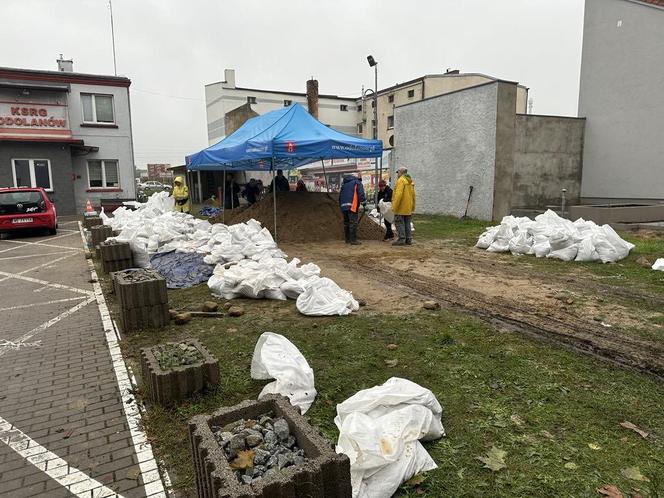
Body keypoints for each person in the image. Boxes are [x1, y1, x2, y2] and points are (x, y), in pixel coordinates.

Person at [339, 173, 366, 245]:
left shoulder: (344, 185)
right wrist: (364, 203)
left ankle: (347, 239)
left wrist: (341, 205)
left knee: (346, 223)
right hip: (352, 205)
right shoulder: (357, 182)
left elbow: (340, 196)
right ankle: (353, 240)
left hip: (343, 206)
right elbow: (361, 193)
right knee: (353, 222)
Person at [391, 167, 416, 246]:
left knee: (399, 222)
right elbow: (413, 195)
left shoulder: (401, 181)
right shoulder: (410, 181)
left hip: (401, 207)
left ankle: (401, 239)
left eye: (398, 172)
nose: (397, 174)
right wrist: (413, 206)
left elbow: (398, 195)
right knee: (407, 223)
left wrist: (394, 206)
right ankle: (408, 239)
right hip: (408, 207)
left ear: (401, 173)